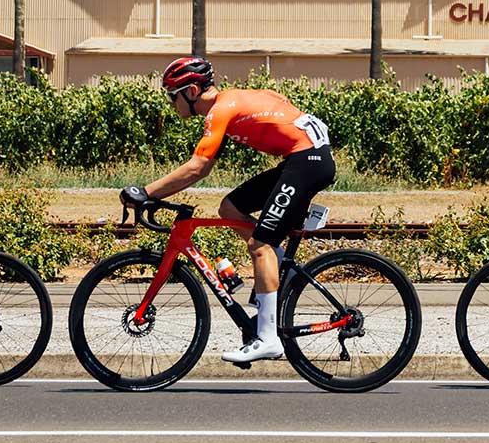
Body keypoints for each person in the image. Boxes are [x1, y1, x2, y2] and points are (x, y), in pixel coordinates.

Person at [122, 56, 335, 367]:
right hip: (305, 158)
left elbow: (197, 168)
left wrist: (146, 192)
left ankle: (267, 338)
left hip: (306, 161)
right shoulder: (232, 102)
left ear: (192, 91)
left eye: (172, 96)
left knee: (258, 245)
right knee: (230, 208)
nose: (171, 104)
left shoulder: (221, 109)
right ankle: (274, 259)